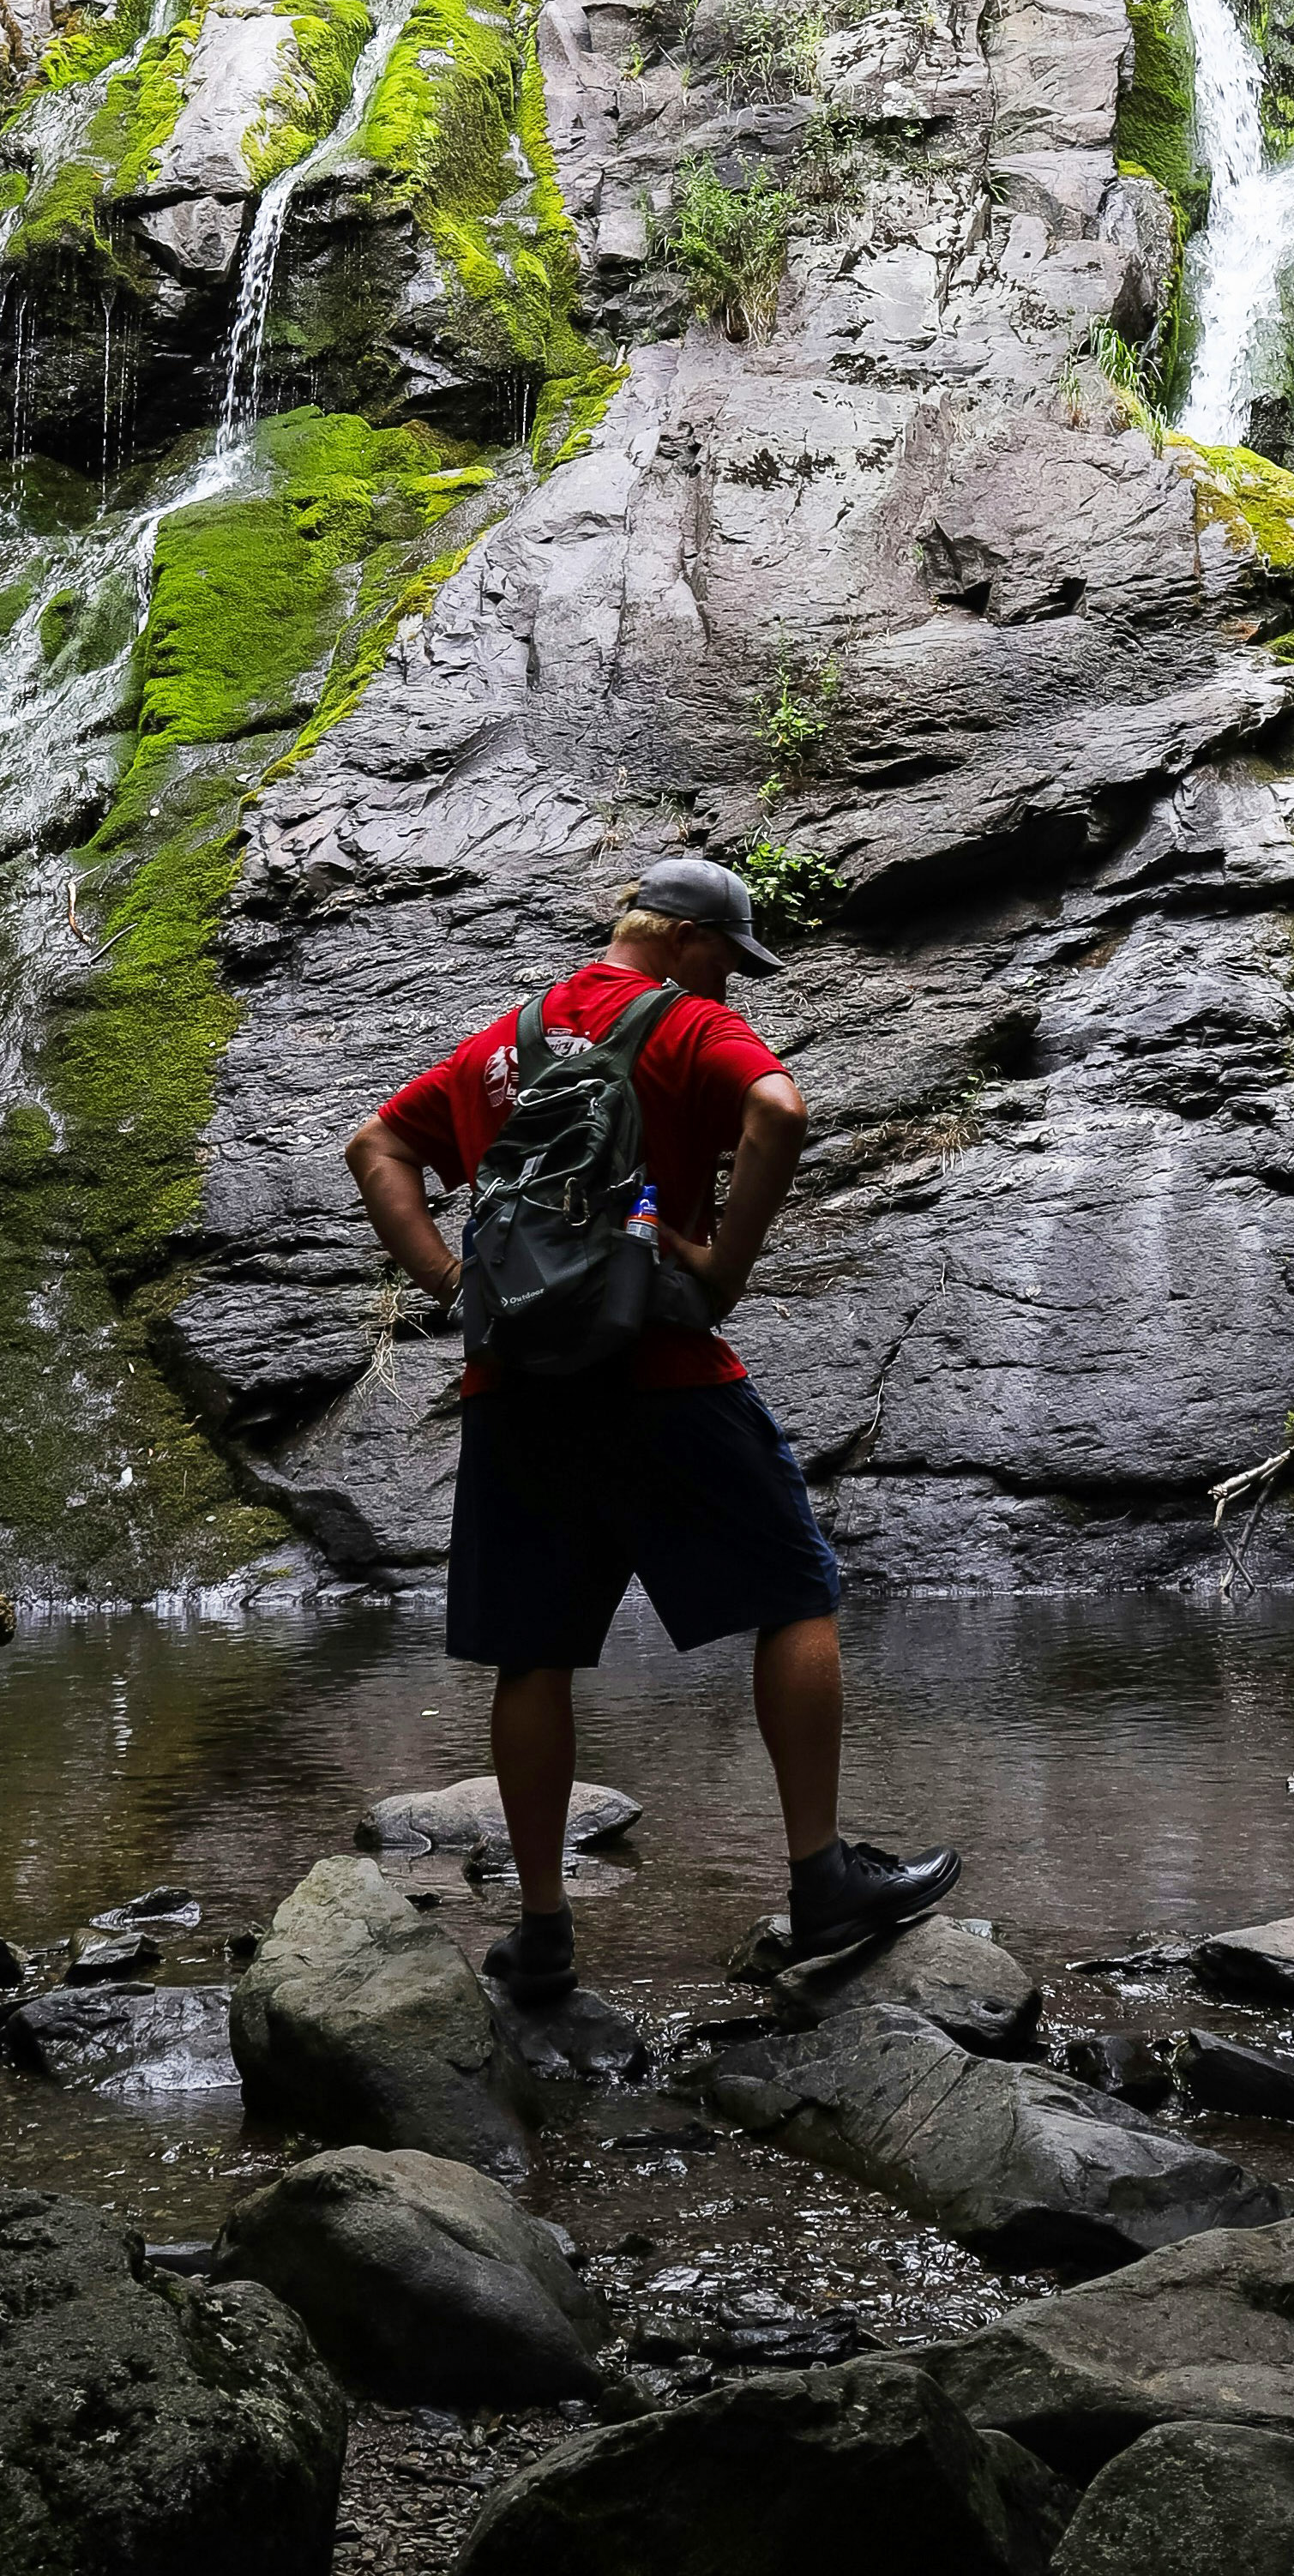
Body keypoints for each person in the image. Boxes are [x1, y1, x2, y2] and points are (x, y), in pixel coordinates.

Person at [344, 854, 960, 2003]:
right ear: (682, 938)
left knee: (534, 1656)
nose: (732, 985)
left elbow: (373, 1146)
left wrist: (450, 1285)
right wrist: (723, 1264)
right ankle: (821, 1877)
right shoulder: (686, 1025)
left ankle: (542, 1932)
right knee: (795, 1595)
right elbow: (781, 1109)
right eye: (728, 959)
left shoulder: (502, 1044)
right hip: (663, 1369)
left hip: (517, 1386)